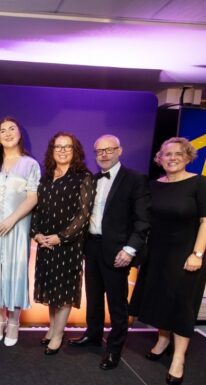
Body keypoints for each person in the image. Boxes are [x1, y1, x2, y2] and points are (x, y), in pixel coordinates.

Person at [129, 137, 206, 385]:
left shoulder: (199, 183)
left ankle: (178, 358)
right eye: (167, 154)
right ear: (160, 158)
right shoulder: (154, 186)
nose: (173, 158)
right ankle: (163, 340)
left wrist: (197, 254)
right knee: (160, 300)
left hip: (186, 255)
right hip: (157, 254)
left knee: (182, 305)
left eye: (178, 153)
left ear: (188, 156)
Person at [68, 134, 150, 370]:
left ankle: (114, 349)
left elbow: (143, 220)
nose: (103, 155)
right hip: (91, 246)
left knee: (116, 303)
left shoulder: (135, 180)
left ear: (119, 151)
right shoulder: (92, 180)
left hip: (118, 251)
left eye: (109, 150)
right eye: (99, 151)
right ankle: (93, 335)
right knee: (93, 298)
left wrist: (130, 249)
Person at [0, 117, 40, 346]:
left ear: (20, 134)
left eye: (12, 128)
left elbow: (33, 196)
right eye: (2, 130)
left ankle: (14, 322)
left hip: (17, 226)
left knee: (15, 272)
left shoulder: (30, 164)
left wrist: (12, 220)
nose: (7, 133)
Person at [31, 132, 95, 355]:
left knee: (64, 290)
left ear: (75, 150)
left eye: (67, 147)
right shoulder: (46, 176)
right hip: (45, 243)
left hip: (68, 244)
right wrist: (37, 234)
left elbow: (83, 215)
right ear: (52, 150)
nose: (62, 150)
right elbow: (37, 208)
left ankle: (58, 334)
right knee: (51, 288)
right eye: (58, 146)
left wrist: (62, 237)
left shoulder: (83, 176)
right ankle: (51, 328)